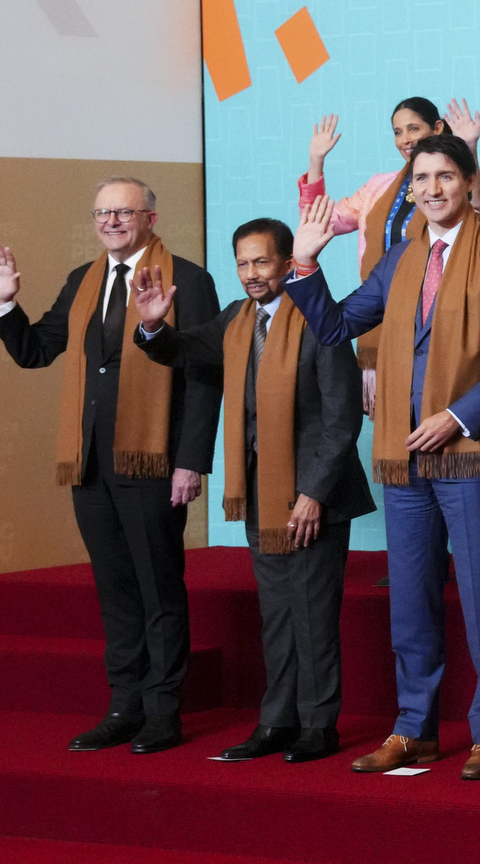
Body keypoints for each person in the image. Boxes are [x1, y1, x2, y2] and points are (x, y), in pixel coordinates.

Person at [288, 133, 480, 779]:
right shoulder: (401, 257)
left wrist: (457, 417)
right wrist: (308, 268)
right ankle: (415, 729)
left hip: (470, 453)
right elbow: (339, 327)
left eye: (446, 176)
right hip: (404, 455)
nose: (432, 188)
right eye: (422, 177)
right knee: (411, 599)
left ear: (466, 181)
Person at [0, 179, 220, 756]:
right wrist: (3, 302)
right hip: (91, 462)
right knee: (115, 590)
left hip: (153, 459)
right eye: (102, 212)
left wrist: (191, 461)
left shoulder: (189, 278)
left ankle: (163, 711)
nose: (111, 221)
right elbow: (36, 351)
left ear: (151, 218)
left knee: (159, 588)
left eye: (124, 211)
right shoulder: (83, 281)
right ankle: (123, 706)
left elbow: (207, 374)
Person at [129, 218, 372, 764]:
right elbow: (184, 349)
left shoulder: (319, 319)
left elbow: (341, 420)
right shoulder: (238, 320)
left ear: (289, 264)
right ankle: (276, 722)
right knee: (278, 614)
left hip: (315, 493)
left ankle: (318, 726)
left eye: (261, 262)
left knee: (312, 613)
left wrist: (313, 493)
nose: (251, 274)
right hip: (261, 491)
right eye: (242, 263)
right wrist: (152, 328)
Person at [298, 96, 480, 417]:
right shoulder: (377, 187)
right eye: (398, 132)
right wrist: (316, 162)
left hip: (441, 321)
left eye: (414, 128)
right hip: (380, 321)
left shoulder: (451, 190)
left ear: (437, 127)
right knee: (396, 436)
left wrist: (467, 148)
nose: (406, 139)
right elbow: (321, 221)